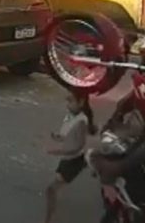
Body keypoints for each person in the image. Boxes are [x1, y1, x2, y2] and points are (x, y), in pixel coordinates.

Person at [43, 90, 97, 223]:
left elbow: (78, 146)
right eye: (68, 100)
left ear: (81, 102)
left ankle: (50, 219)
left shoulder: (81, 122)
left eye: (71, 101)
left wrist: (57, 151)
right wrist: (58, 136)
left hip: (73, 160)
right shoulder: (70, 116)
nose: (67, 104)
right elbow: (67, 135)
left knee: (51, 189)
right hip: (68, 159)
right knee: (56, 186)